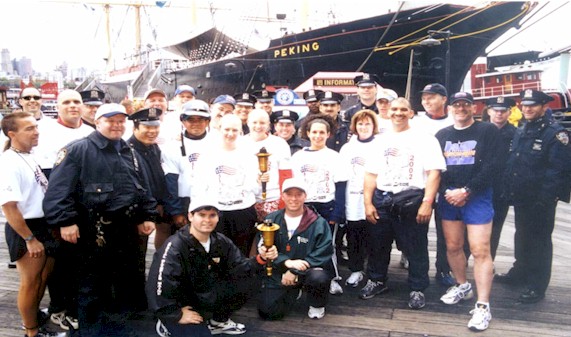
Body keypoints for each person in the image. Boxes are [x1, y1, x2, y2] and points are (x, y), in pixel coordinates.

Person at [42, 103, 157, 336]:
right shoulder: (77, 150)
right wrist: (65, 221)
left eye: (120, 121)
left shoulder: (129, 152)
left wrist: (147, 215)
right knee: (91, 285)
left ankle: (120, 328)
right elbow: (58, 191)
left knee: (124, 282)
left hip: (126, 230)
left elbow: (143, 188)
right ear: (97, 122)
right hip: (92, 230)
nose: (116, 125)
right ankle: (92, 330)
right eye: (110, 120)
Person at [146, 198, 277, 337]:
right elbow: (158, 284)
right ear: (190, 216)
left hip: (202, 295)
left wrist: (261, 259)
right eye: (201, 215)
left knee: (250, 279)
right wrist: (175, 314)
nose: (207, 220)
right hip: (180, 305)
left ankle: (218, 321)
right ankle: (167, 323)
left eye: (212, 215)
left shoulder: (220, 241)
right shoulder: (175, 247)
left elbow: (240, 267)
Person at [361, 98, 445, 310]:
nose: (398, 113)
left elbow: (434, 172)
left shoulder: (425, 139)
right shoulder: (379, 141)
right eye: (394, 109)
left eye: (403, 109)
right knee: (378, 244)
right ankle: (377, 281)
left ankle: (417, 288)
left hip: (411, 199)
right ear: (388, 112)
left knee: (415, 246)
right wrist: (368, 203)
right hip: (383, 198)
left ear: (411, 113)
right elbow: (371, 174)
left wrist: (427, 202)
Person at [496, 89, 571, 304]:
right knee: (522, 236)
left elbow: (558, 171)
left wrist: (546, 199)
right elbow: (516, 162)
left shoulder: (555, 134)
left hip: (540, 199)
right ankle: (520, 272)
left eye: (533, 105)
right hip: (521, 195)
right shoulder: (524, 128)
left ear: (544, 107)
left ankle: (537, 285)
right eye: (525, 105)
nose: (527, 108)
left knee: (539, 242)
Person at [435, 92, 500, 332]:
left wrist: (467, 190)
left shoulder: (487, 131)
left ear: (473, 107)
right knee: (453, 246)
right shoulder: (442, 135)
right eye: (457, 104)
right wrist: (448, 191)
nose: (461, 108)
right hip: (449, 197)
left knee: (480, 249)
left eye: (466, 104)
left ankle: (483, 306)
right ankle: (462, 285)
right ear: (450, 107)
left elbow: (494, 165)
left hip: (477, 196)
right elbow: (436, 168)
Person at [0, 112, 63, 337]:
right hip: (27, 228)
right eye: (29, 129)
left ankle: (35, 317)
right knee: (30, 282)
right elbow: (9, 207)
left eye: (36, 127)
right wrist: (29, 239)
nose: (36, 132)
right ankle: (31, 330)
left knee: (42, 279)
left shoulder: (27, 155)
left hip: (43, 224)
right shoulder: (8, 162)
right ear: (12, 134)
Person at [257, 178, 333, 320]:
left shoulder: (318, 222)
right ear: (283, 196)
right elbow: (263, 247)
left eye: (299, 194)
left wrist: (294, 271)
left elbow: (324, 252)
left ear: (305, 196)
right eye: (289, 194)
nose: (294, 199)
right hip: (280, 269)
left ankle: (317, 304)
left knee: (319, 277)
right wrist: (285, 263)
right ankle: (293, 290)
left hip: (308, 270)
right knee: (267, 312)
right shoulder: (271, 219)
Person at [291, 117, 348, 295]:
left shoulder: (334, 156)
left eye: (322, 132)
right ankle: (301, 278)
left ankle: (331, 278)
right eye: (314, 132)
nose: (317, 136)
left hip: (326, 206)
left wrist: (337, 213)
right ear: (307, 133)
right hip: (304, 207)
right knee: (302, 245)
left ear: (328, 134)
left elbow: (340, 186)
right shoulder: (298, 157)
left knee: (327, 245)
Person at [194, 114, 259, 256]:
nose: (230, 134)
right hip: (217, 211)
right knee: (216, 253)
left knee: (241, 252)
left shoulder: (248, 155)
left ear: (241, 132)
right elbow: (199, 185)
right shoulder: (208, 154)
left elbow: (255, 187)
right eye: (227, 129)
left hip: (242, 210)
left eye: (235, 130)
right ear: (219, 129)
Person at [411, 83, 456, 287]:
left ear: (444, 99)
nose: (426, 101)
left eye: (432, 97)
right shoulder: (416, 123)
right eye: (424, 98)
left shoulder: (454, 120)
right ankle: (415, 270)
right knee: (417, 232)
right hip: (423, 183)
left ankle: (443, 268)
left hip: (449, 183)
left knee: (446, 232)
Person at [127, 107, 168, 311]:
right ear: (135, 126)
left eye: (155, 126)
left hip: (152, 208)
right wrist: (145, 215)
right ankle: (134, 302)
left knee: (140, 255)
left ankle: (139, 296)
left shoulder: (152, 148)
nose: (152, 131)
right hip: (138, 214)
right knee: (134, 257)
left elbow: (156, 178)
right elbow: (136, 187)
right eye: (147, 127)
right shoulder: (129, 152)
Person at [161, 100, 213, 249]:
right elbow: (170, 181)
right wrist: (176, 212)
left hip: (209, 201)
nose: (196, 123)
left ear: (208, 121)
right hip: (184, 202)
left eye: (201, 119)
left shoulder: (217, 142)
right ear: (182, 121)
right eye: (191, 119)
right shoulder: (171, 146)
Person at [338, 109, 380, 289]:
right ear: (354, 126)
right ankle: (356, 269)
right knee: (354, 235)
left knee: (374, 236)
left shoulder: (381, 145)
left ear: (374, 126)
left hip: (374, 199)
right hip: (352, 198)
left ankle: (373, 272)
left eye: (367, 123)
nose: (363, 127)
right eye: (360, 123)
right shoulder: (347, 148)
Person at [242, 109, 292, 222]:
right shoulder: (240, 143)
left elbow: (286, 175)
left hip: (272, 198)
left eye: (262, 123)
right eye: (254, 122)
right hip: (247, 200)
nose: (258, 126)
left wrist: (284, 202)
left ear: (269, 125)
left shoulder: (279, 144)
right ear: (248, 123)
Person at [483, 96, 517, 260]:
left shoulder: (516, 134)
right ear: (489, 111)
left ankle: (490, 259)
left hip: (500, 189)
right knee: (470, 226)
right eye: (496, 110)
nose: (499, 114)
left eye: (503, 111)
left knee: (495, 227)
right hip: (479, 186)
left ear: (509, 113)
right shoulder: (479, 131)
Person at [34, 89, 93, 178]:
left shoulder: (91, 132)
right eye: (66, 102)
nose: (72, 105)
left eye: (76, 102)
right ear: (57, 107)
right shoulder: (43, 130)